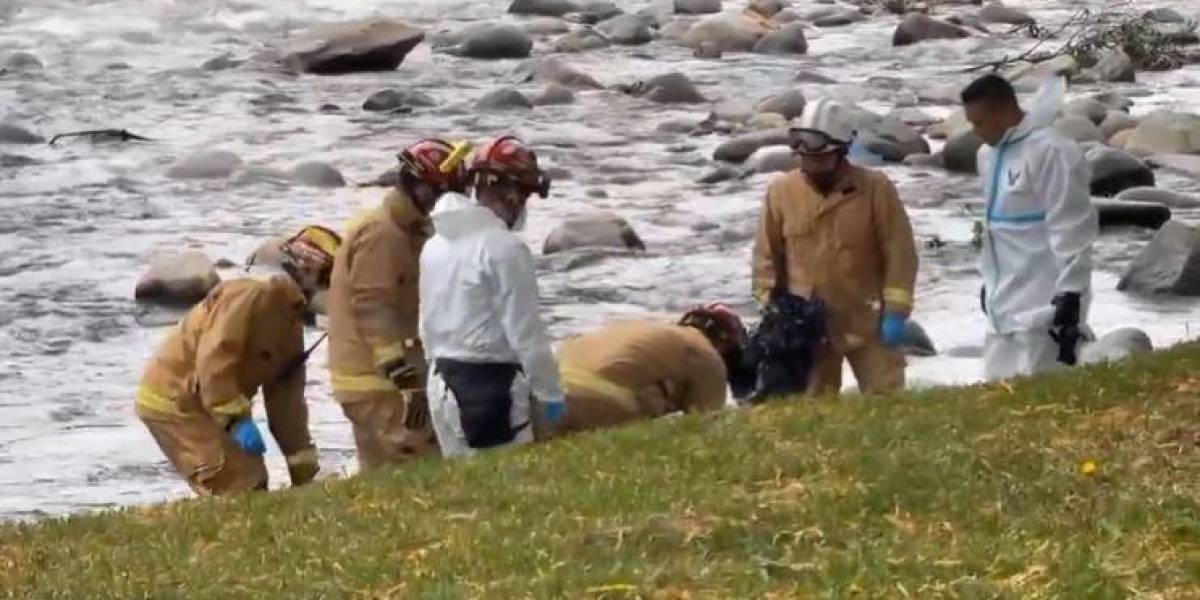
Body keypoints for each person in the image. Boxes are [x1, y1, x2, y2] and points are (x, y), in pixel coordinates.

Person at [135, 225, 340, 496]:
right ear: (308, 271)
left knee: (252, 480)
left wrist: (304, 467)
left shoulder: (289, 317)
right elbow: (215, 359)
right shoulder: (248, 294)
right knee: (237, 483)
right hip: (175, 402)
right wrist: (235, 421)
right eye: (327, 279)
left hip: (208, 403)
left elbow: (286, 401)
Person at [752, 99, 919, 395]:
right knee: (813, 411)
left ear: (842, 151)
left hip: (868, 321)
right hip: (809, 329)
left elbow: (900, 251)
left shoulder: (875, 189)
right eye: (804, 157)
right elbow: (767, 256)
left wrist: (896, 311)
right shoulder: (781, 192)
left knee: (889, 402)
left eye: (819, 158)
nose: (810, 166)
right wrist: (771, 307)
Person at [327, 139, 469, 471]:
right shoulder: (383, 235)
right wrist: (403, 378)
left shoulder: (405, 230)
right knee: (423, 462)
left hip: (366, 379)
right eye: (439, 193)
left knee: (380, 475)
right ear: (418, 187)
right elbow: (373, 307)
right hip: (377, 382)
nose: (443, 203)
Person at [419, 135, 565, 458]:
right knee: (510, 488)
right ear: (512, 194)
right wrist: (549, 393)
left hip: (440, 382)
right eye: (524, 194)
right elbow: (526, 333)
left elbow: (426, 325)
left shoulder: (435, 243)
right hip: (490, 387)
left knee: (465, 488)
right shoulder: (504, 248)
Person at [961, 74, 1097, 380]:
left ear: (1003, 112)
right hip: (1002, 303)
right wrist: (988, 279)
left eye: (979, 123)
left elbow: (1072, 226)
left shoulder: (1053, 152)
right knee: (998, 392)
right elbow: (995, 228)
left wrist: (1071, 292)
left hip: (1044, 304)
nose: (975, 132)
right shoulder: (988, 157)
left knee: (1045, 390)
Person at [554, 304, 745, 432]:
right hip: (598, 400)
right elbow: (706, 429)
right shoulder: (705, 353)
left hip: (550, 395)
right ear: (725, 345)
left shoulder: (641, 329)